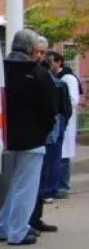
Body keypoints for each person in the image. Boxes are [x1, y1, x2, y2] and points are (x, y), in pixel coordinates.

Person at [0, 29, 57, 246]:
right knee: (25, 187)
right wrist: (44, 130)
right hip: (32, 140)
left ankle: (2, 228)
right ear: (31, 49)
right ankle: (18, 232)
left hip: (3, 138)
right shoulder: (37, 73)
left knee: (5, 186)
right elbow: (51, 108)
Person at [29, 49, 69, 234]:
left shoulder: (53, 83)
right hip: (47, 136)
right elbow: (63, 110)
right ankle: (32, 219)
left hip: (43, 135)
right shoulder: (55, 84)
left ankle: (34, 218)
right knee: (40, 178)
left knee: (39, 178)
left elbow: (63, 110)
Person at [55, 55, 80, 199]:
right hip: (59, 121)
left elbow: (73, 100)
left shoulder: (68, 78)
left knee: (63, 156)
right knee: (59, 155)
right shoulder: (57, 77)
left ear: (58, 62)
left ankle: (63, 187)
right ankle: (58, 186)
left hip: (65, 120)